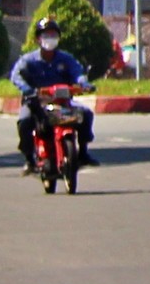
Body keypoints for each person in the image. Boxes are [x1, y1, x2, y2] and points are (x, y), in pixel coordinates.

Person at [11, 18, 96, 172]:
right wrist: (29, 90)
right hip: (36, 102)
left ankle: (83, 152)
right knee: (24, 121)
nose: (50, 39)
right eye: (46, 35)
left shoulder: (66, 58)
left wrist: (84, 84)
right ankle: (29, 159)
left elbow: (78, 73)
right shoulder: (28, 60)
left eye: (53, 35)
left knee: (86, 114)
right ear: (38, 38)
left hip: (62, 102)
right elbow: (16, 76)